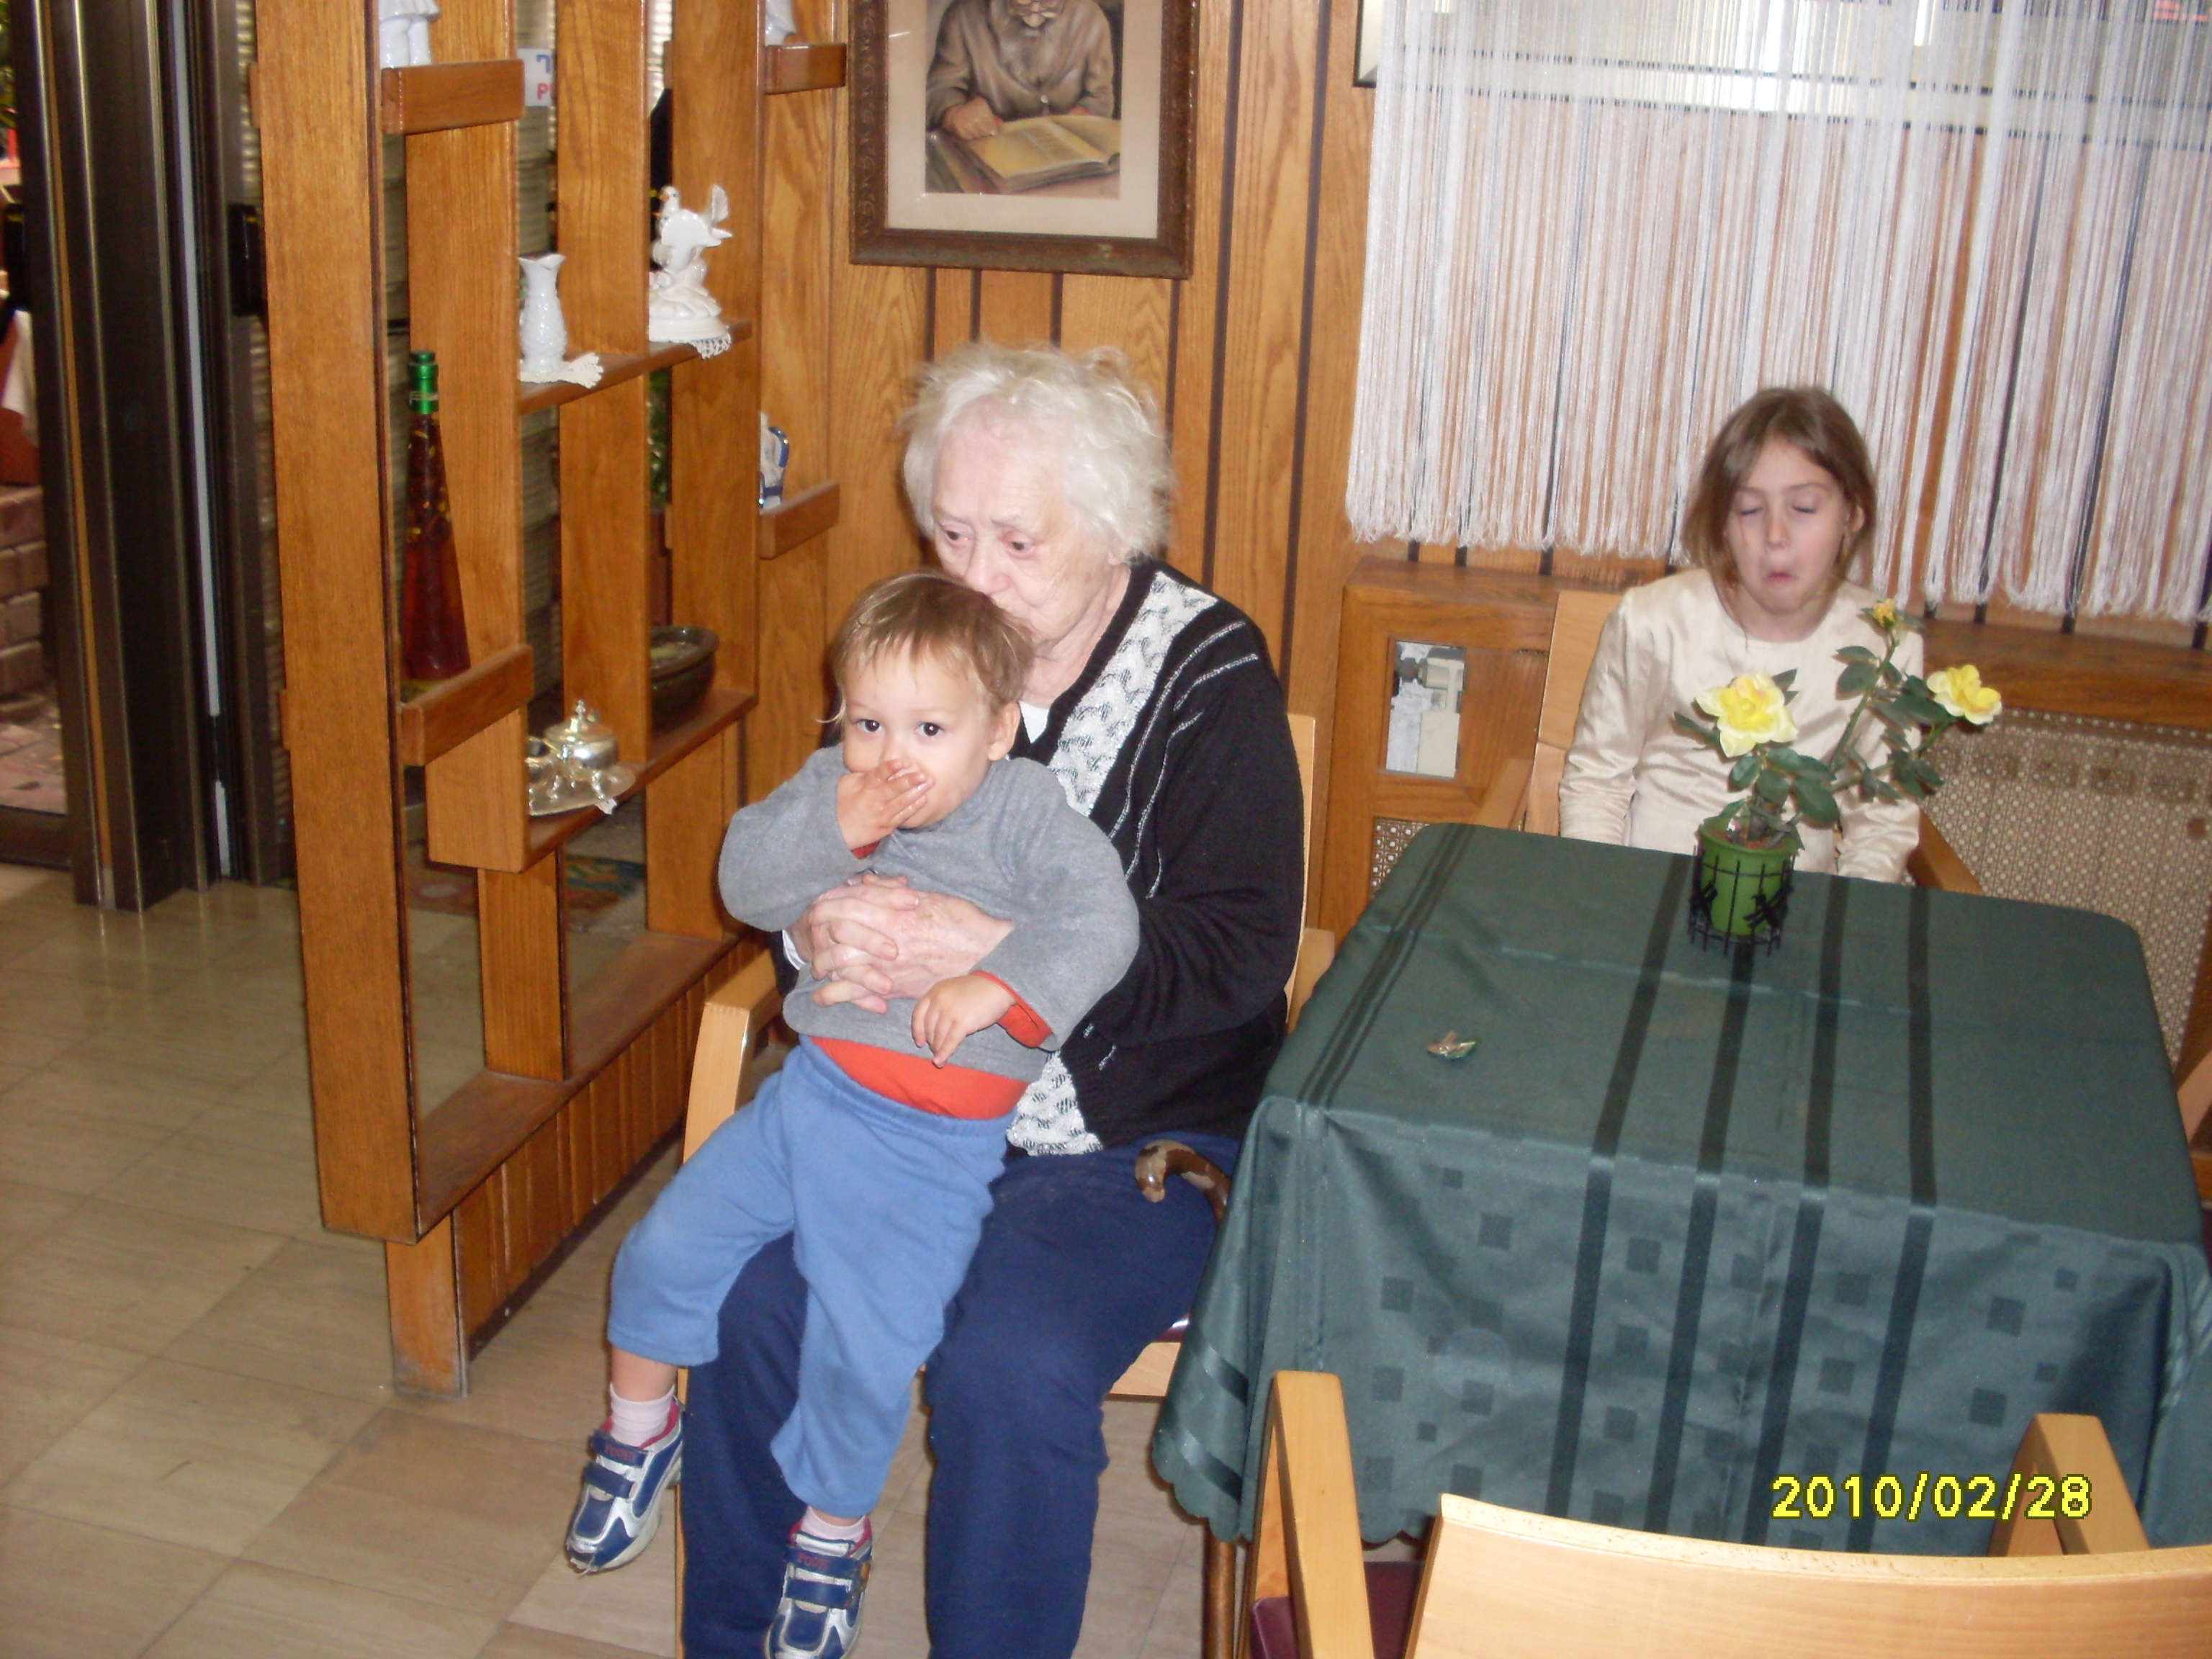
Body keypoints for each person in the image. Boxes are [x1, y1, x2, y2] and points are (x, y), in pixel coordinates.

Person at [680, 343, 1307, 1659]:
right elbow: (815, 835)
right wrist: (813, 925)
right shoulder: (929, 646)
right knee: (743, 1295)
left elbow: (1240, 955)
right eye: (951, 533)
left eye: (1018, 542)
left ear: (1113, 528)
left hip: (1126, 1138)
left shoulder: (1210, 675)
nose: (974, 578)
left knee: (1007, 1361)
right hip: (890, 1101)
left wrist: (1008, 955)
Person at [565, 570, 1141, 1659]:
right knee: (665, 1250)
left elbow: (1102, 922)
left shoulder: (1026, 815)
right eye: (869, 723)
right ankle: (638, 1433)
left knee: (862, 1351)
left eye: (929, 729)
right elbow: (747, 881)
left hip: (928, 1151)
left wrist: (1000, 985)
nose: (893, 757)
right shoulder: (835, 787)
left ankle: (832, 1535)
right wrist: (836, 822)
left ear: (999, 731)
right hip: (809, 1102)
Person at [1558, 385, 1922, 881]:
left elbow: (1881, 826)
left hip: (1797, 902)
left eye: (1804, 508)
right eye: (1749, 510)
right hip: (1649, 889)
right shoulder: (1654, 622)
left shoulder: (1887, 646)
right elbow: (1597, 782)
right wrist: (1604, 896)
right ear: (1723, 526)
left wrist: (1839, 918)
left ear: (1852, 515)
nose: (1776, 536)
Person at [927, 0, 1117, 141]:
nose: (1034, 13)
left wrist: (1087, 115)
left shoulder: (1090, 16)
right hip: (991, 157)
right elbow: (937, 92)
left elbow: (1100, 96)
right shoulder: (963, 15)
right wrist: (953, 113)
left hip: (1073, 163)